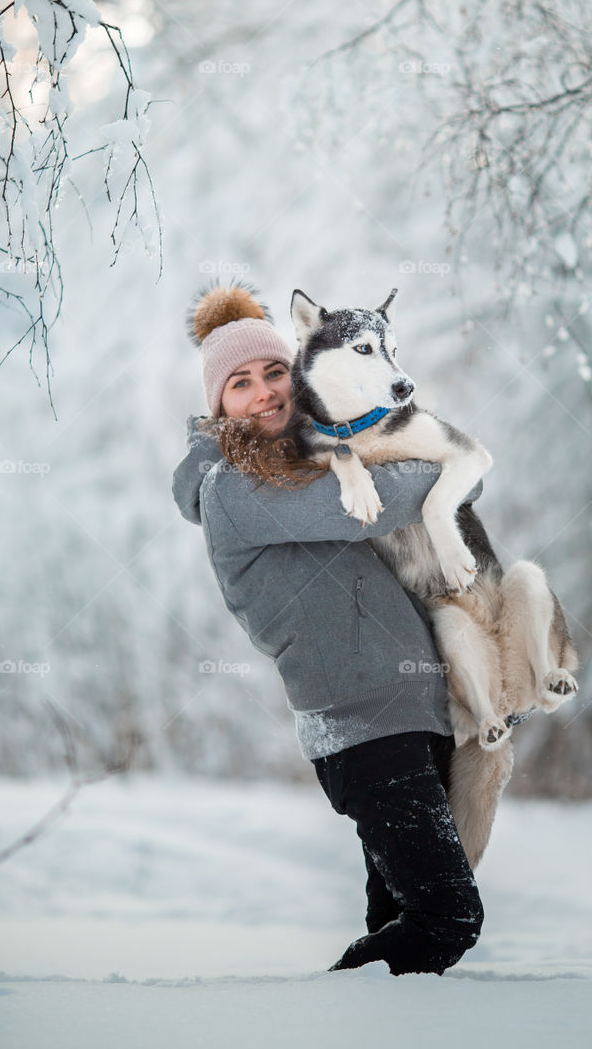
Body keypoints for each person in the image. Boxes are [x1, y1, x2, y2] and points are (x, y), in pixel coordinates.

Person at [172, 284, 485, 976]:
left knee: (399, 928)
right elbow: (389, 500)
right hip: (361, 729)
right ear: (217, 404)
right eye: (239, 384)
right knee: (448, 918)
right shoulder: (235, 489)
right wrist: (448, 467)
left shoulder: (310, 460)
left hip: (415, 713)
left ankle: (373, 1024)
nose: (263, 393)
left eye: (274, 371)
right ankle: (322, 1010)